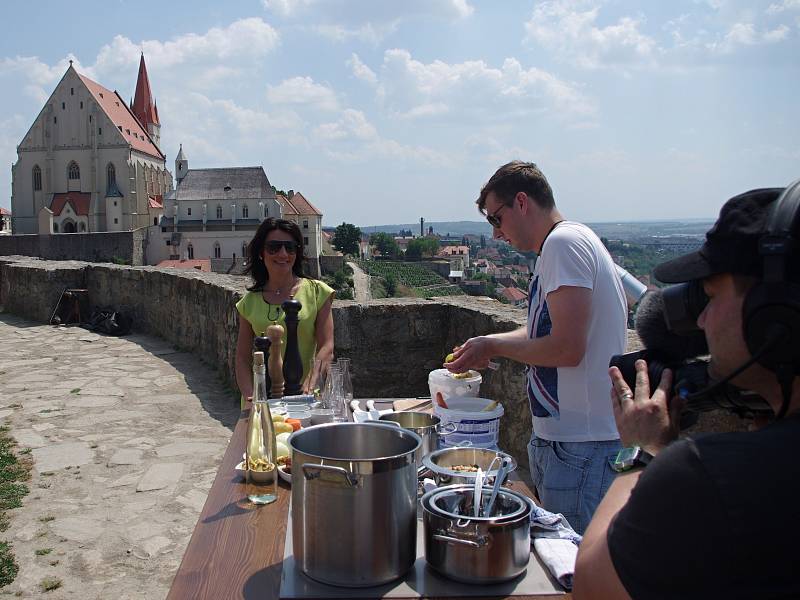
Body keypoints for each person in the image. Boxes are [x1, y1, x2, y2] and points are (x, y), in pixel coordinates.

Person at [573, 186, 800, 599]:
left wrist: (643, 451)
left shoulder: (708, 476)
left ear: (775, 316)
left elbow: (593, 585)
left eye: (711, 297)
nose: (703, 318)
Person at [446, 161, 627, 534]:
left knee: (570, 572)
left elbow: (566, 348)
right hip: (570, 444)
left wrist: (494, 344)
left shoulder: (563, 244)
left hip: (581, 447)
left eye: (497, 218)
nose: (497, 234)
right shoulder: (563, 245)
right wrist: (486, 345)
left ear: (522, 202)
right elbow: (542, 332)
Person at [235, 218, 334, 404]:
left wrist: (310, 383)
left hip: (306, 398)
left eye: (290, 247)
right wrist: (251, 396)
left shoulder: (317, 292)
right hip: (263, 401)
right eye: (274, 247)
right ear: (261, 253)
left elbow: (327, 346)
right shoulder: (248, 303)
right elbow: (242, 358)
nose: (283, 253)